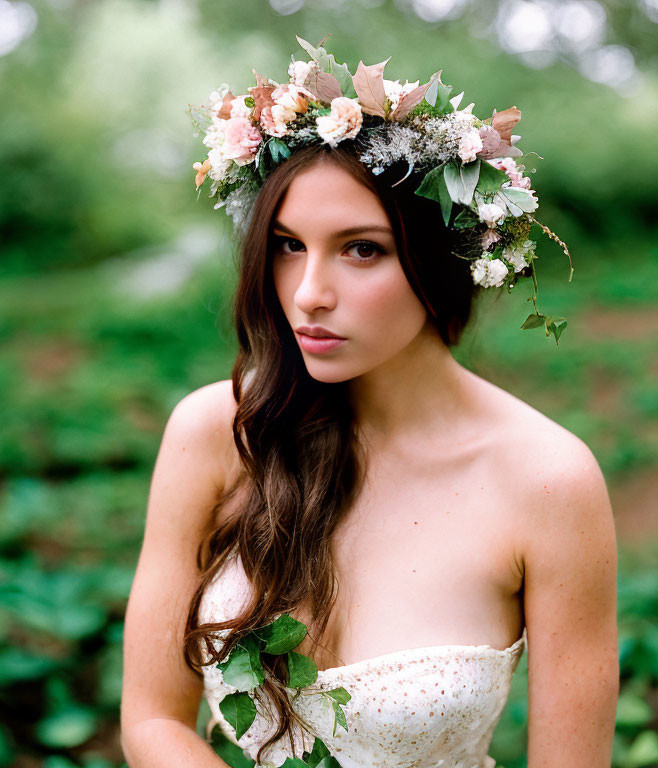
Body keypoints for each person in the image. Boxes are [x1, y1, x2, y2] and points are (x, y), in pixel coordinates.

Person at [120, 36, 618, 768]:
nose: (310, 293)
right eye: (289, 245)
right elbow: (152, 720)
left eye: (361, 249)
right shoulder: (219, 433)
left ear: (441, 263)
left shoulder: (548, 482)